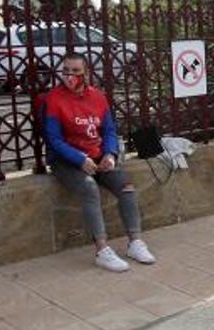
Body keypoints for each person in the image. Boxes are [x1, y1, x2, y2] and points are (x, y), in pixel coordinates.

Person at [42, 52, 155, 272]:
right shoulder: (54, 99)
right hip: (67, 161)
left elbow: (110, 130)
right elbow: (53, 139)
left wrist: (110, 154)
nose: (70, 76)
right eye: (66, 71)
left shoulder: (98, 97)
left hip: (97, 157)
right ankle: (102, 250)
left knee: (126, 186)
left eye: (75, 71)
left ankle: (135, 242)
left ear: (86, 73)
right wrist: (79, 159)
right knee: (89, 188)